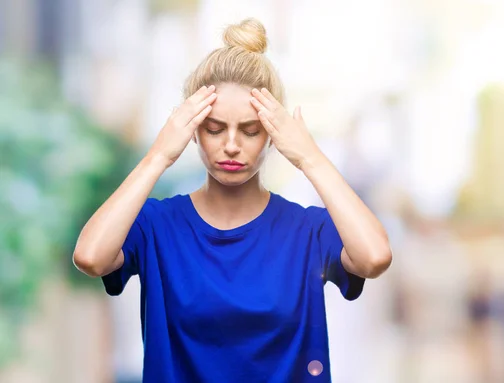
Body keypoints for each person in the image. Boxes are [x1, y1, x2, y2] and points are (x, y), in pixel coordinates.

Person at [73, 18, 392, 383]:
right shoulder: (156, 226)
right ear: (192, 130)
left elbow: (374, 256)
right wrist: (157, 157)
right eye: (214, 128)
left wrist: (310, 158)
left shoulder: (308, 231)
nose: (231, 145)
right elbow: (91, 256)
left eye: (251, 130)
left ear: (272, 135)